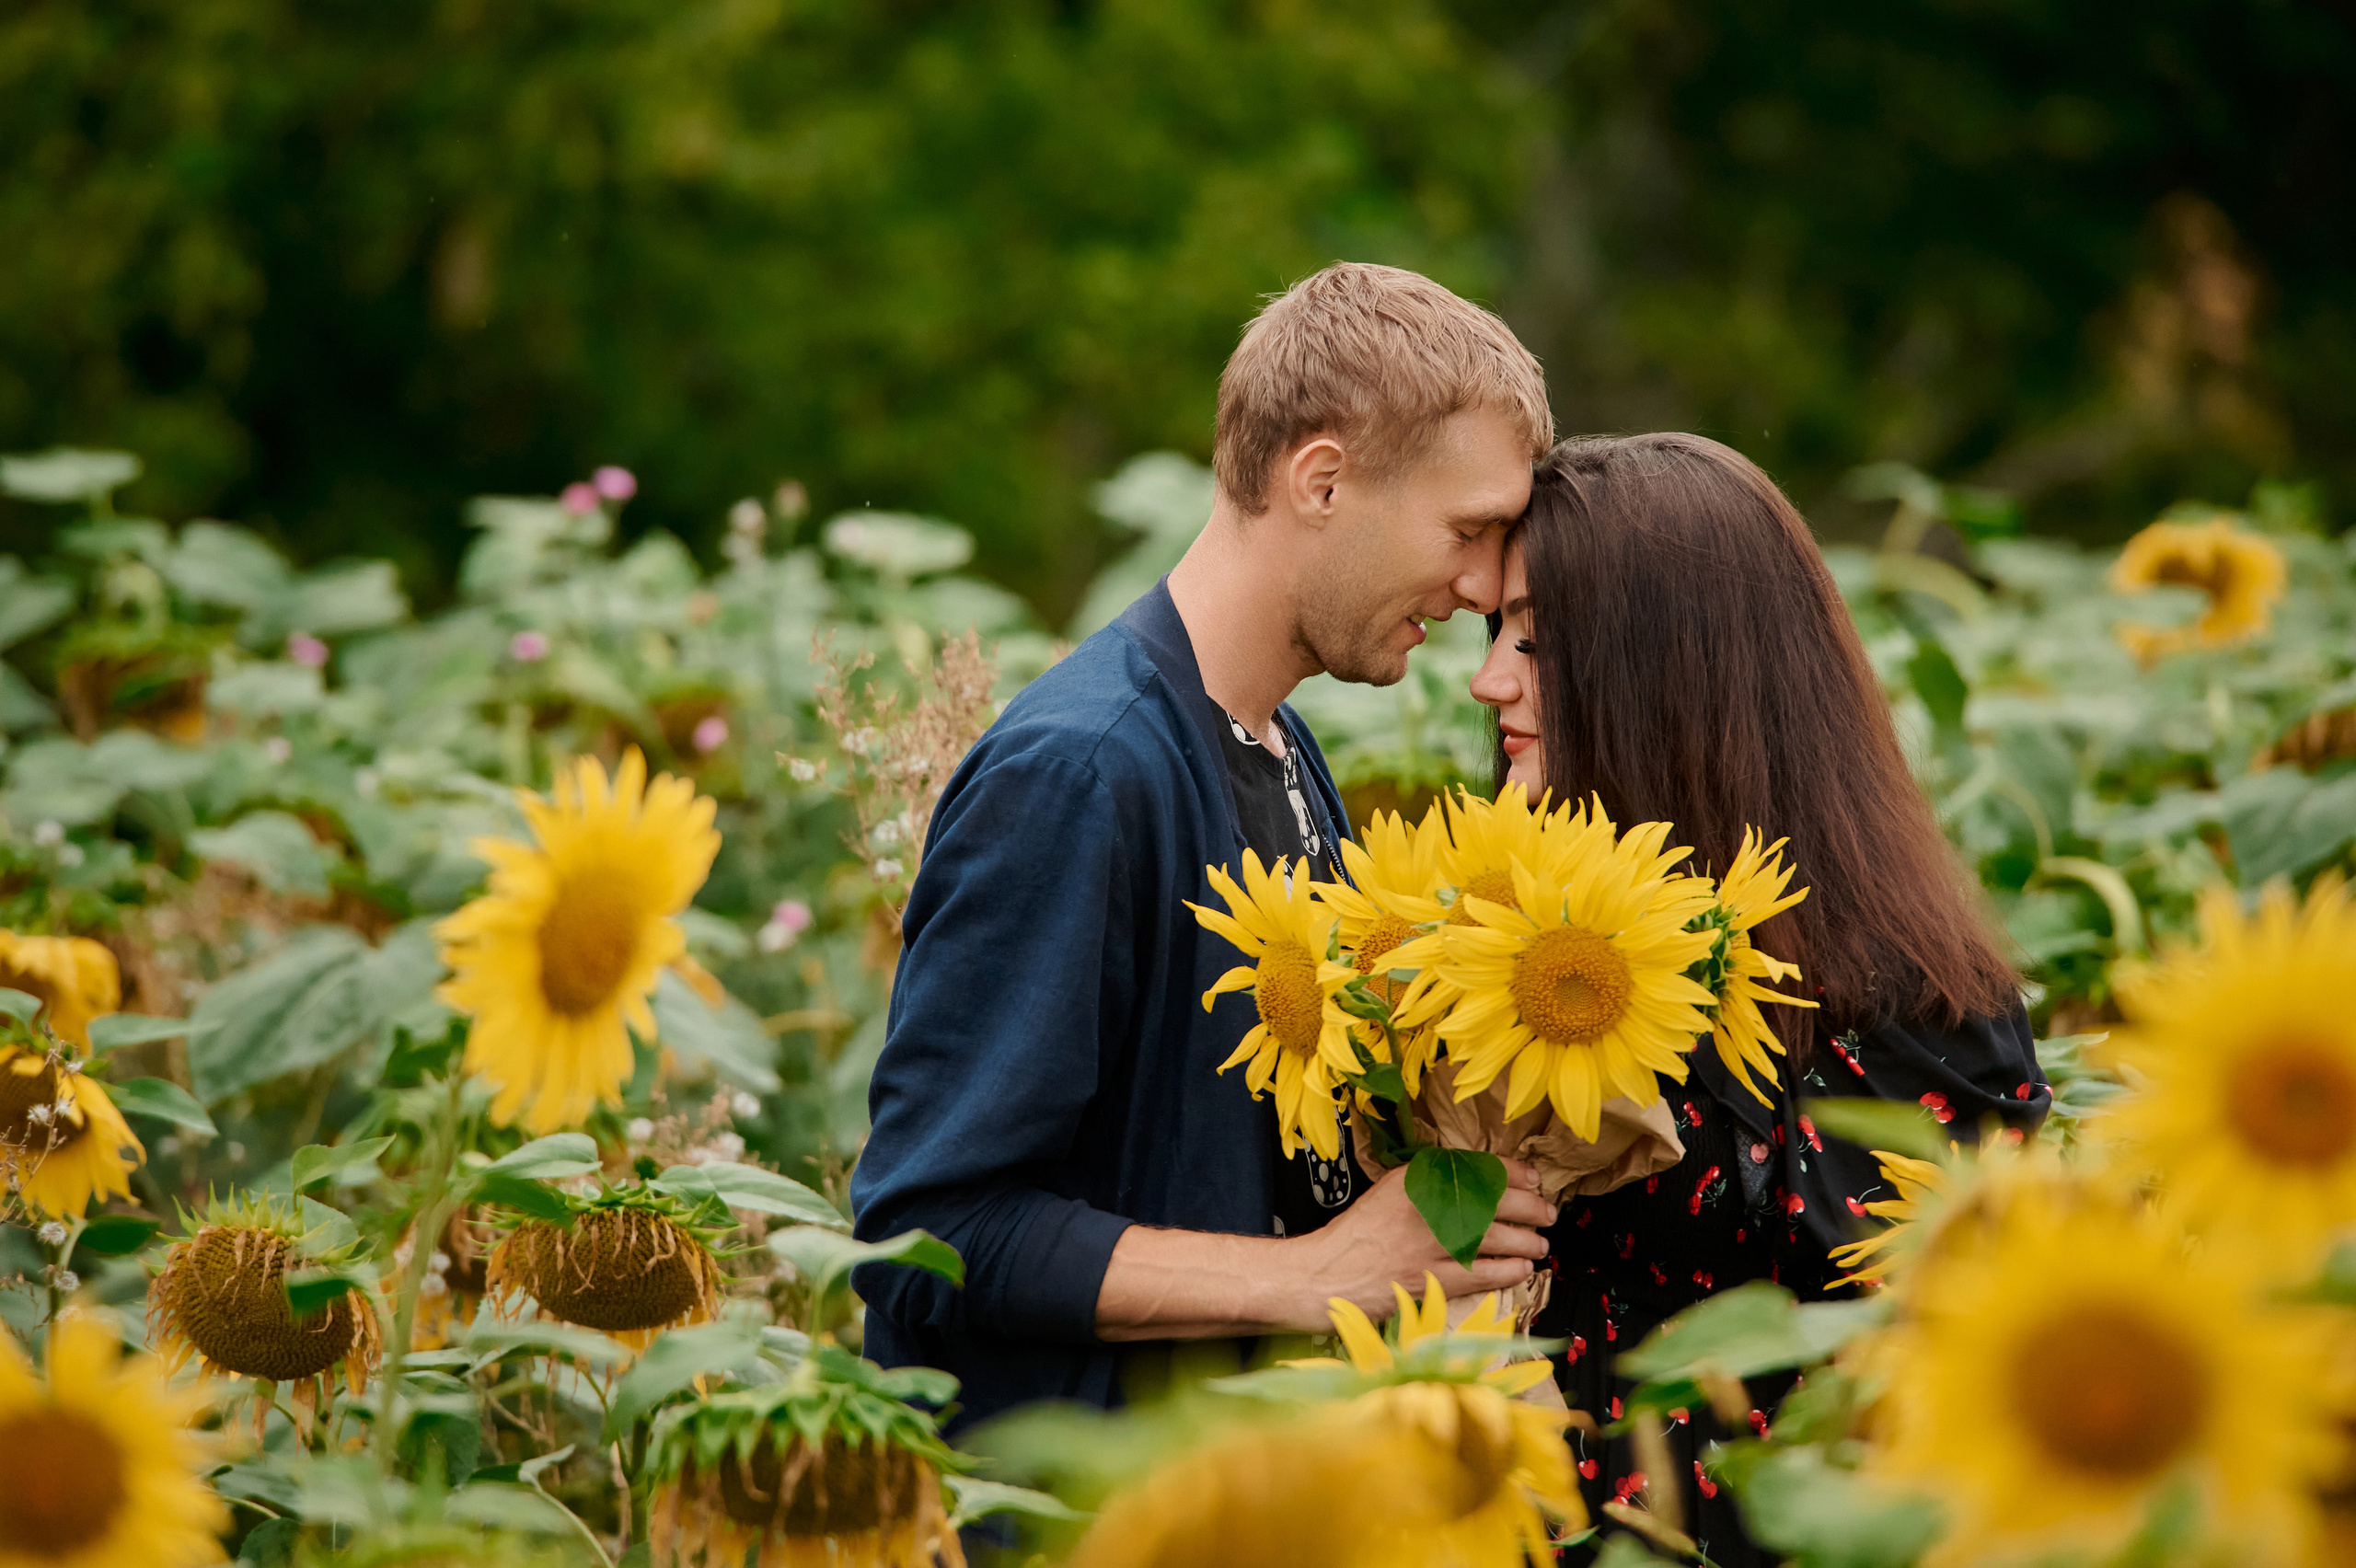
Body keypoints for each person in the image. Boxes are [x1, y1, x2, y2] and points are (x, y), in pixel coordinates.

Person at [851, 262, 1561, 1435]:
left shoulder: (1280, 751)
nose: (1481, 583)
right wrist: (1315, 1276)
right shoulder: (1081, 772)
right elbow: (924, 1234)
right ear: (1321, 482)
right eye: (1468, 528)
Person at [1469, 432, 2049, 1563]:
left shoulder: (1912, 1010)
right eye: (1491, 632)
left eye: (1535, 638)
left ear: (1669, 670)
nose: (1490, 677)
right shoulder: (1517, 947)